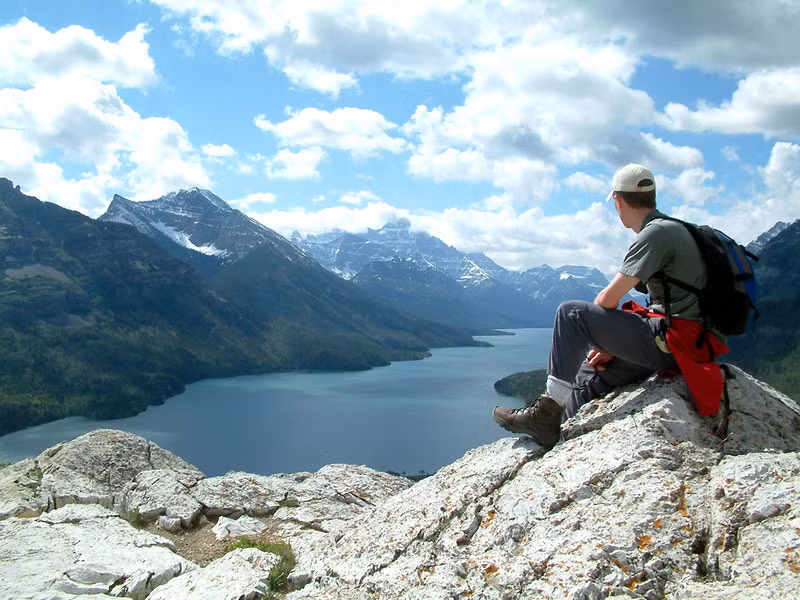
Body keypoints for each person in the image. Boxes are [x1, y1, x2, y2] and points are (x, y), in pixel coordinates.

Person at [492, 163, 725, 449]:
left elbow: (607, 300)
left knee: (571, 313)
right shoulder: (680, 230)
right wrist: (611, 344)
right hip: (690, 345)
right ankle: (556, 433)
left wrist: (605, 338)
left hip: (675, 341)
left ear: (618, 200)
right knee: (591, 371)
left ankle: (544, 415)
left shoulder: (656, 234)